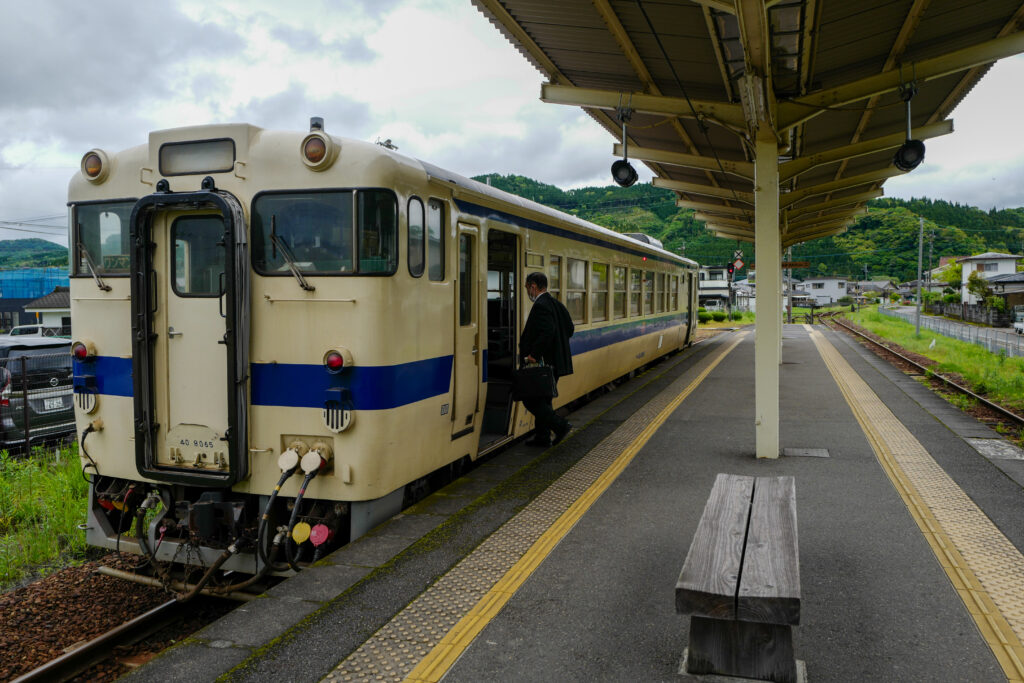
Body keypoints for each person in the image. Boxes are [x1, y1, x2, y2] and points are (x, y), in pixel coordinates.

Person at [519, 271, 574, 447]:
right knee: (544, 399)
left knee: (530, 398)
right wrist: (558, 346)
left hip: (544, 364)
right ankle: (542, 437)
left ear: (533, 286)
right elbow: (570, 328)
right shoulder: (556, 304)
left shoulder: (541, 305)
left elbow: (547, 332)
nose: (527, 291)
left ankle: (561, 426)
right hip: (555, 363)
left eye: (527, 287)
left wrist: (534, 354)